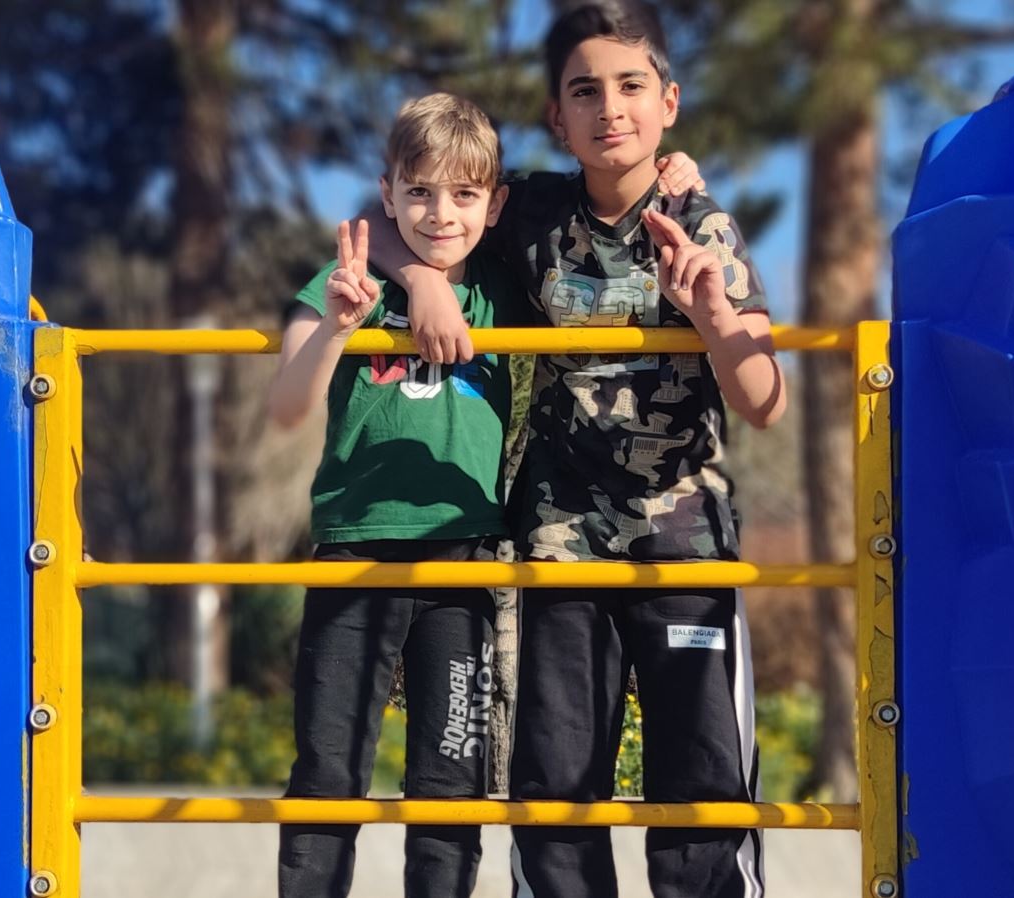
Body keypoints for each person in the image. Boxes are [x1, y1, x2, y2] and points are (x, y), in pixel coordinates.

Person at [368, 2, 787, 895]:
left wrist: (712, 313)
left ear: (668, 102)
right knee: (556, 782)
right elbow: (398, 215)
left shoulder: (703, 224)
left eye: (632, 86)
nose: (611, 108)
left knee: (702, 782)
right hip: (561, 539)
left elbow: (765, 399)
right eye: (585, 91)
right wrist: (422, 283)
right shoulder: (533, 211)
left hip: (683, 543)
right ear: (557, 117)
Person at [265, 92, 520, 898]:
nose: (441, 213)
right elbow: (287, 406)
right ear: (388, 194)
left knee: (451, 774)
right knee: (329, 764)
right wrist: (341, 325)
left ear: (494, 204)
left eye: (464, 194)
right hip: (357, 546)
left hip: (462, 557)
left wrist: (677, 174)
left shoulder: (503, 290)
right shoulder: (345, 280)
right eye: (419, 192)